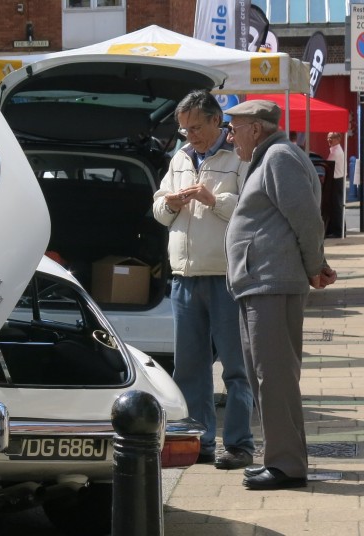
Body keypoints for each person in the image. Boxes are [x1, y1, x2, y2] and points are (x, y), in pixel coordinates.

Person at [224, 99, 337, 490]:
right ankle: (280, 459)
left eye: (234, 127)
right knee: (265, 377)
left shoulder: (278, 158)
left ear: (256, 128)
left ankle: (287, 465)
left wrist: (313, 266)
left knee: (273, 376)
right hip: (261, 282)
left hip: (272, 282)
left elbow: (306, 218)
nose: (230, 134)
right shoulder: (273, 156)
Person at [152, 90, 254, 470]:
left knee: (236, 366)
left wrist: (214, 200)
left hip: (226, 276)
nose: (189, 136)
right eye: (184, 129)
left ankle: (240, 444)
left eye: (196, 127)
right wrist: (170, 204)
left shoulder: (238, 155)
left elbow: (249, 210)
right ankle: (200, 441)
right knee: (189, 368)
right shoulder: (180, 157)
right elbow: (159, 209)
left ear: (216, 120)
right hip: (185, 276)